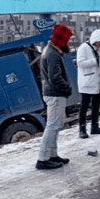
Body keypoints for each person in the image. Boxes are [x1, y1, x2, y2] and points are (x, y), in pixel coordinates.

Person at [36, 24, 74, 170]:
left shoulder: (50, 50)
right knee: (52, 126)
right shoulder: (52, 54)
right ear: (61, 39)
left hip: (52, 93)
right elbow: (55, 78)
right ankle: (43, 158)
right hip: (55, 94)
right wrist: (68, 88)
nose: (68, 42)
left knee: (55, 126)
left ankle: (52, 155)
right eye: (67, 39)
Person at [76, 29, 100, 138]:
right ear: (95, 40)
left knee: (96, 105)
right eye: (99, 41)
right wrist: (96, 61)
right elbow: (80, 63)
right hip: (86, 82)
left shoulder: (99, 49)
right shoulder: (84, 48)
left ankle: (94, 127)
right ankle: (82, 129)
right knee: (84, 106)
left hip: (97, 82)